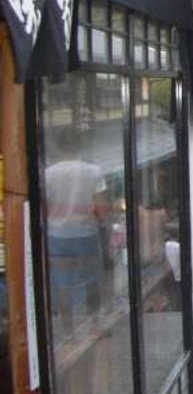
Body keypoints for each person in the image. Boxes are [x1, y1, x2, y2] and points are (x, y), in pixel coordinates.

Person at [45, 129, 110, 338]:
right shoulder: (93, 171)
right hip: (86, 234)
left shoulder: (48, 173)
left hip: (57, 236)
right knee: (91, 279)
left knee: (63, 283)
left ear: (60, 147)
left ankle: (69, 333)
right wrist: (103, 222)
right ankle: (95, 327)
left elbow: (43, 207)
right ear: (79, 146)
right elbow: (101, 208)